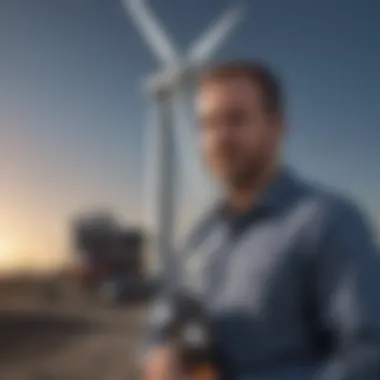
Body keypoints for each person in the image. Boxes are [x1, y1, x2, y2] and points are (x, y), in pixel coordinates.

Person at [140, 60, 380, 380]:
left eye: (235, 119)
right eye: (207, 124)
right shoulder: (200, 234)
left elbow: (367, 358)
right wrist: (157, 356)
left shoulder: (330, 222)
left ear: (277, 127)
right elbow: (161, 321)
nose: (219, 138)